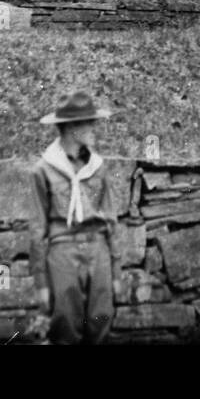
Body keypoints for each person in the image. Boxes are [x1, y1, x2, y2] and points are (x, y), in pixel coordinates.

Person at [29, 91, 121, 345]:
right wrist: (41, 284)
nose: (94, 129)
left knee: (101, 320)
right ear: (71, 128)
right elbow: (37, 229)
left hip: (98, 250)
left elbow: (110, 220)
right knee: (66, 324)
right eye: (89, 123)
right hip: (63, 252)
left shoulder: (98, 167)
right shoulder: (44, 170)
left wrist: (116, 271)